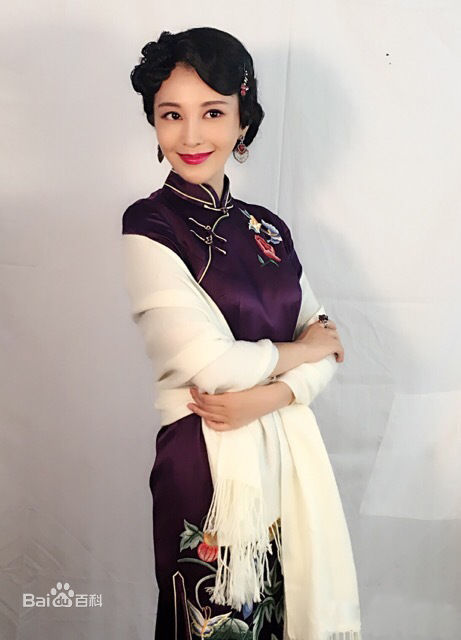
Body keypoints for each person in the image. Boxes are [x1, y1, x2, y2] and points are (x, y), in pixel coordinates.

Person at [121, 27, 361, 640]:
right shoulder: (150, 224)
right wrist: (300, 353)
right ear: (154, 121)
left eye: (212, 113)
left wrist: (269, 396)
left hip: (283, 460)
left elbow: (329, 347)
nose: (191, 136)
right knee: (217, 625)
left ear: (241, 121)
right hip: (204, 464)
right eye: (172, 114)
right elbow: (212, 366)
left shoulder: (268, 229)